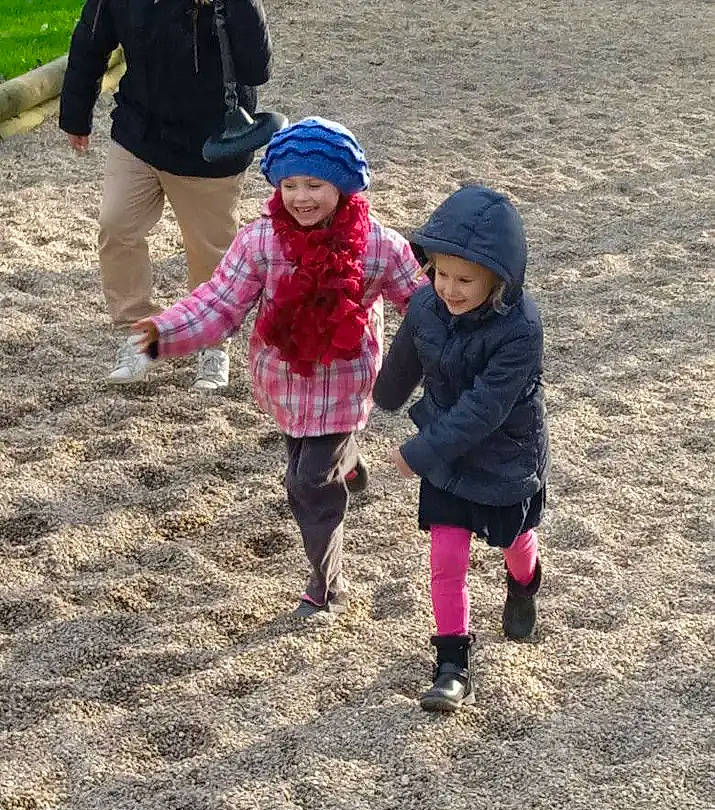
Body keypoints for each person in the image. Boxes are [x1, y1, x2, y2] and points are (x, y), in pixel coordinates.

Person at [131, 117, 427, 616]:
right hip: (284, 383)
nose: (301, 197)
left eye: (315, 184)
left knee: (308, 482)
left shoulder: (380, 245)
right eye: (289, 184)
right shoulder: (260, 242)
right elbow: (218, 303)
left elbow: (422, 307)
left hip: (345, 383)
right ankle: (348, 463)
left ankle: (326, 583)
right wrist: (166, 332)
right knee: (311, 460)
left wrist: (471, 332)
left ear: (344, 184)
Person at [373, 185, 550, 713]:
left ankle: (524, 585)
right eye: (440, 273)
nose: (448, 288)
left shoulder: (521, 329)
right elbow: (406, 356)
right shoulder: (428, 302)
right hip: (447, 458)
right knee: (446, 557)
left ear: (500, 279)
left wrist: (419, 452)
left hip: (503, 456)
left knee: (515, 542)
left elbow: (484, 409)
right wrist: (380, 394)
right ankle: (453, 662)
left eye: (465, 279)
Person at [59, 0, 272, 390]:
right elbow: (90, 40)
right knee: (116, 226)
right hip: (140, 131)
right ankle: (137, 333)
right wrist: (76, 113)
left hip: (210, 142)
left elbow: (258, 67)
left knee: (210, 250)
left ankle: (213, 344)